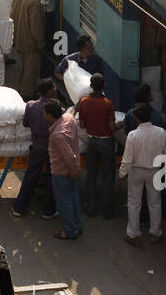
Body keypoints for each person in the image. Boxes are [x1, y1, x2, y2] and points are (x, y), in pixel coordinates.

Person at [120, 102, 166, 247]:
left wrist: (122, 173)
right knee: (154, 203)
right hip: (154, 171)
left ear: (135, 118)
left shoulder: (132, 135)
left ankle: (133, 234)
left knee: (134, 203)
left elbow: (127, 159)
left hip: (136, 172)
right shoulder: (161, 132)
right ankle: (155, 233)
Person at [12, 77, 58, 219]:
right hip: (52, 147)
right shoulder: (57, 109)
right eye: (54, 87)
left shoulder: (31, 106)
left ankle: (19, 208)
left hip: (37, 146)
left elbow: (25, 123)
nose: (56, 88)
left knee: (30, 177)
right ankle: (48, 210)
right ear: (50, 91)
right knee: (52, 179)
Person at [76, 73, 116, 219]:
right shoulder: (108, 104)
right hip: (106, 142)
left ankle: (91, 208)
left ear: (91, 86)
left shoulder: (84, 102)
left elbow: (81, 124)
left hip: (92, 142)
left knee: (90, 174)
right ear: (104, 85)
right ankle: (107, 210)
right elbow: (111, 127)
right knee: (108, 175)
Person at [45, 99, 82, 241]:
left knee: (64, 202)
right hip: (70, 171)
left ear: (50, 115)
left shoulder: (57, 135)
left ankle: (70, 231)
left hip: (62, 172)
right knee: (72, 197)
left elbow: (68, 155)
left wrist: (72, 170)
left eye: (45, 113)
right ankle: (77, 225)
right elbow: (72, 112)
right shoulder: (68, 118)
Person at [10, 0, 45, 98]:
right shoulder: (34, 2)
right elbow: (36, 27)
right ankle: (27, 93)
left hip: (19, 36)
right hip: (30, 41)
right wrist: (40, 43)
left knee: (24, 64)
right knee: (31, 68)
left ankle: (21, 87)